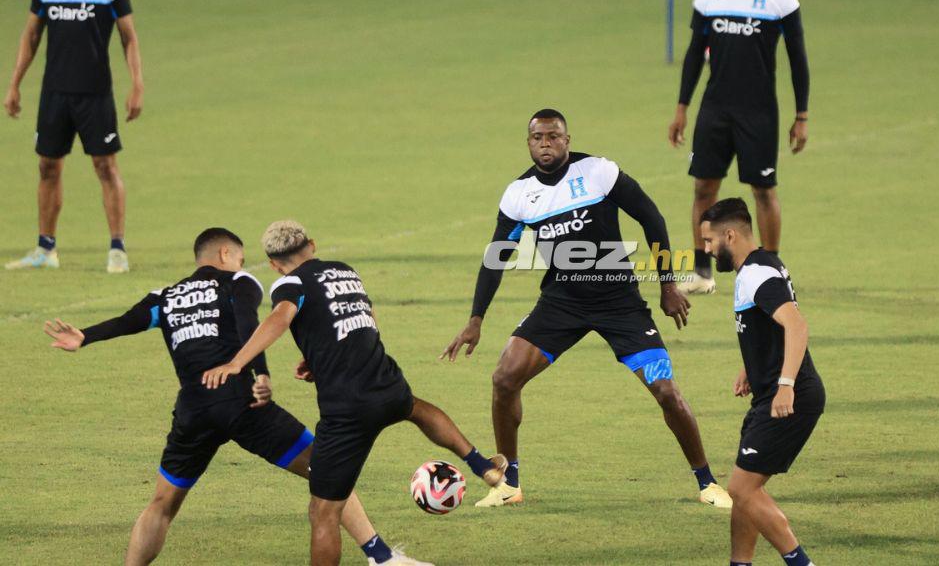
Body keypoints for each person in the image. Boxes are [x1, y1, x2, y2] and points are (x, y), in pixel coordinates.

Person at [44, 228, 428, 566]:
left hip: (194, 410)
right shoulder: (239, 282)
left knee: (162, 505)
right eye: (241, 257)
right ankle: (381, 556)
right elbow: (249, 324)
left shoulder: (165, 296)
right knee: (325, 469)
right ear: (226, 255)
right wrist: (260, 373)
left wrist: (85, 336)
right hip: (244, 404)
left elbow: (128, 321)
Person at [443, 108, 731, 509]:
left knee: (666, 391)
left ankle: (708, 482)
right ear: (528, 143)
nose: (545, 143)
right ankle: (509, 483)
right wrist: (475, 320)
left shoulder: (598, 172)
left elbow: (652, 217)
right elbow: (496, 258)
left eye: (553, 136)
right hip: (562, 301)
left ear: (567, 140)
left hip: (619, 301)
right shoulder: (519, 195)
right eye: (537, 138)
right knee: (505, 377)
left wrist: (667, 284)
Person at [202, 221, 505, 566]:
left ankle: (378, 557)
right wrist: (318, 356)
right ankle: (482, 465)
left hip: (347, 409)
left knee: (323, 512)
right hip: (385, 380)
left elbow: (279, 318)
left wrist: (238, 363)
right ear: (312, 246)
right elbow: (363, 317)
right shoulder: (344, 271)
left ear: (273, 264)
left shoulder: (289, 283)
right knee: (416, 409)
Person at [668, 0, 810, 295]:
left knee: (763, 190)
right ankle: (702, 271)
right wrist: (682, 108)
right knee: (703, 188)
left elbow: (799, 60)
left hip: (759, 112)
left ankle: (773, 267)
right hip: (714, 109)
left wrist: (802, 116)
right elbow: (694, 56)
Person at [5, 0, 144, 273]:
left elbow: (129, 38)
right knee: (48, 166)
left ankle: (117, 248)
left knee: (105, 165)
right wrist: (15, 84)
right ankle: (45, 249)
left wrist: (137, 84)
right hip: (55, 93)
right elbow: (32, 35)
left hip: (96, 93)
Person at [700, 198, 824, 566]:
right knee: (745, 488)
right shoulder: (762, 263)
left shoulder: (756, 274)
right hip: (769, 392)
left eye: (709, 242)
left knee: (741, 488)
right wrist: (751, 367)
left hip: (789, 396)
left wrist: (785, 383)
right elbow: (765, 326)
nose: (706, 250)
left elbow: (796, 325)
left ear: (730, 234)